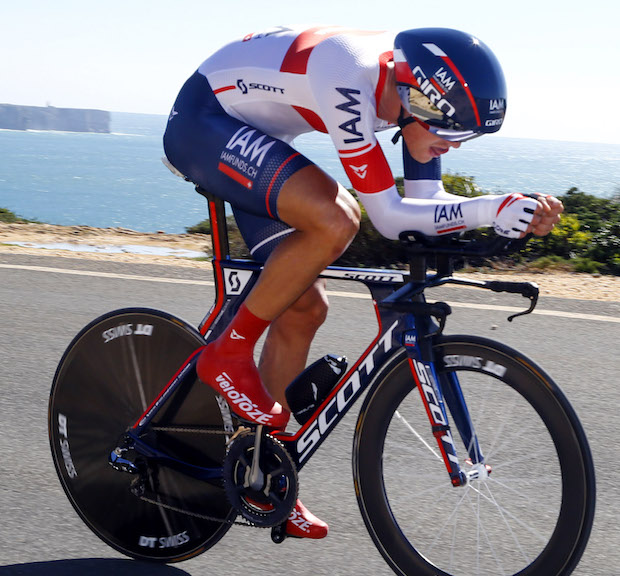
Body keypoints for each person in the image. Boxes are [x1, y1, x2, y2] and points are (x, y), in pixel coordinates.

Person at [163, 25, 563, 539]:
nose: (453, 145)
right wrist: (490, 207)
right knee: (337, 217)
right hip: (205, 123)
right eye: (452, 131)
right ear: (415, 97)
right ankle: (228, 352)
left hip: (260, 136)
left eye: (465, 135)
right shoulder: (345, 73)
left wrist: (513, 217)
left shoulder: (414, 103)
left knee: (303, 307)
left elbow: (426, 211)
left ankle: (263, 473)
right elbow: (391, 217)